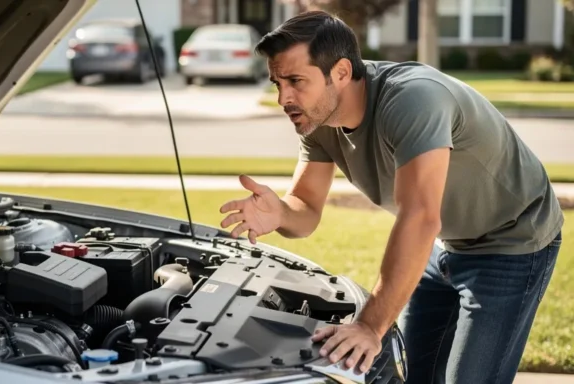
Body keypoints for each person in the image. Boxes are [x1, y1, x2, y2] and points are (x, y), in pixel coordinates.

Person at [218, 10, 564, 384]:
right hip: (445, 243)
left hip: (513, 239)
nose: (284, 97)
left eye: (296, 81)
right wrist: (281, 214)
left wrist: (369, 325)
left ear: (341, 72)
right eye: (277, 82)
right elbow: (306, 207)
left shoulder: (413, 100)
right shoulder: (318, 121)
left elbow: (420, 216)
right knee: (418, 374)